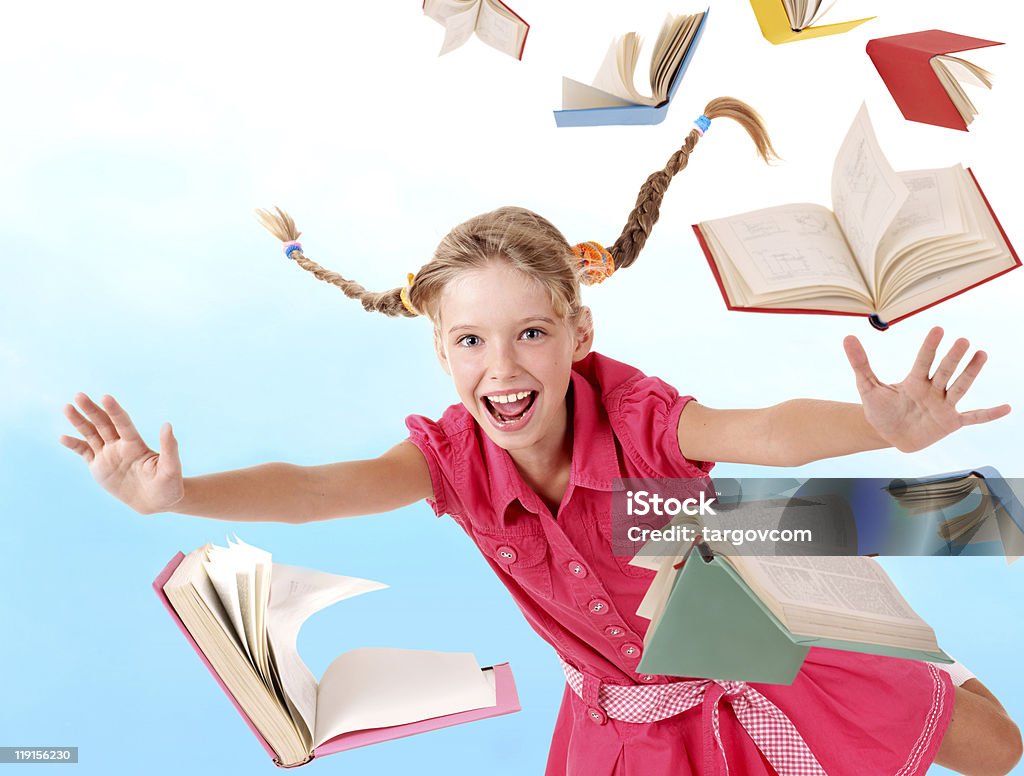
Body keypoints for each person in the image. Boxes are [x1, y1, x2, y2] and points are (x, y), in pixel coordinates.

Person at [61, 99, 1021, 776]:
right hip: (630, 721)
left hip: (758, 637)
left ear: (577, 337)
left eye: (531, 334)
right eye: (472, 341)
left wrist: (880, 429)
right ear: (442, 354)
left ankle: (921, 659)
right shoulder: (452, 464)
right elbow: (319, 487)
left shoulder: (638, 420)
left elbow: (759, 431)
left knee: (996, 750)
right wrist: (180, 495)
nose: (504, 367)